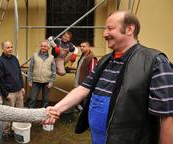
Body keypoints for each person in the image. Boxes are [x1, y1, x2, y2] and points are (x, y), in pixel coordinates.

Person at [46, 11, 173, 144]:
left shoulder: (155, 62)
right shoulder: (105, 60)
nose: (104, 34)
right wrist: (57, 109)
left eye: (110, 28)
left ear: (129, 29)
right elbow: (84, 88)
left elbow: (168, 116)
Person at [0, 40, 25, 139]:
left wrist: (22, 87)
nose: (10, 49)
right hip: (9, 93)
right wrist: (5, 94)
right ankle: (6, 132)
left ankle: (17, 129)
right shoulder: (0, 62)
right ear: (3, 49)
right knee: (7, 114)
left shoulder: (14, 59)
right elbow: (0, 80)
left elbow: (19, 74)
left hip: (19, 91)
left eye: (11, 47)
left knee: (19, 113)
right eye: (8, 47)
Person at [28, 40, 56, 108]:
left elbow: (53, 71)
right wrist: (30, 81)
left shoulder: (51, 57)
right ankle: (30, 113)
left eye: (45, 46)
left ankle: (43, 114)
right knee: (33, 98)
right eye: (42, 46)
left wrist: (51, 82)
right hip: (35, 81)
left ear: (48, 48)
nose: (43, 47)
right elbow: (30, 69)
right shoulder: (34, 55)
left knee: (46, 100)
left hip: (47, 81)